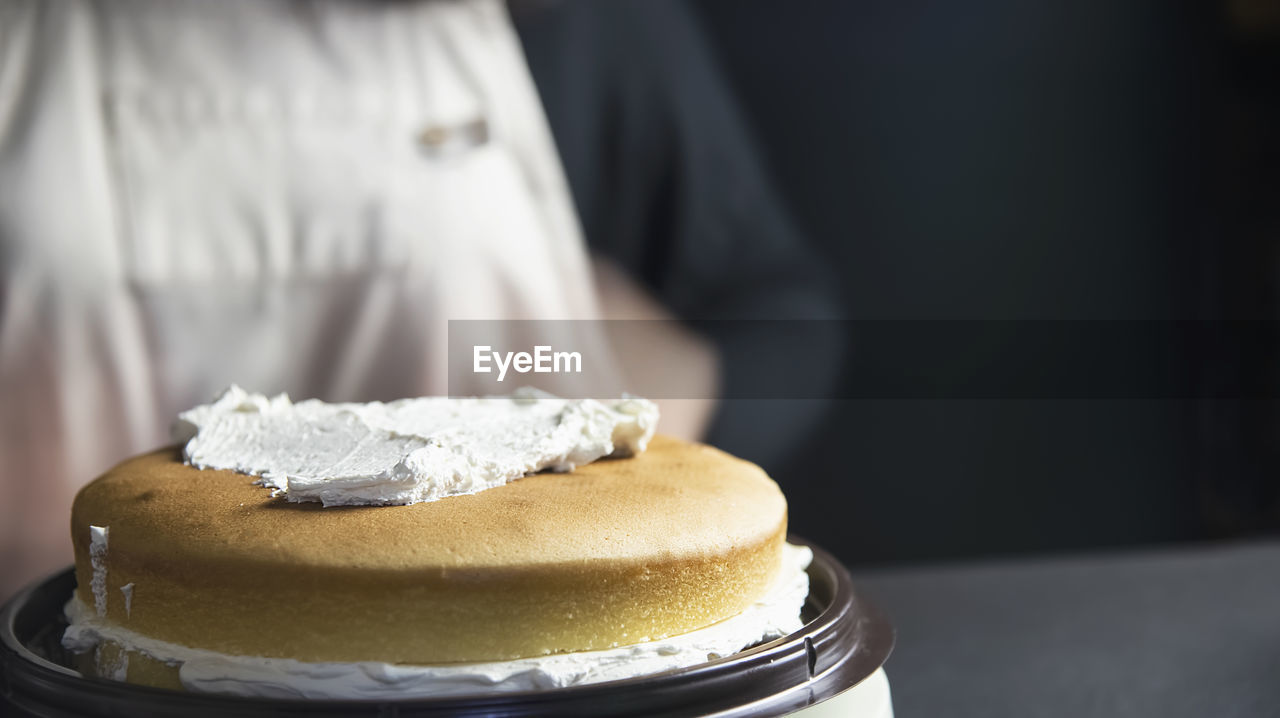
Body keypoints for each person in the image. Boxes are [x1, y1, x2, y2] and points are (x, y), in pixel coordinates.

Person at [0, 0, 838, 599]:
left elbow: (785, 314)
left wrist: (641, 410)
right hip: (77, 654)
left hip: (507, 654)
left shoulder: (579, 27)